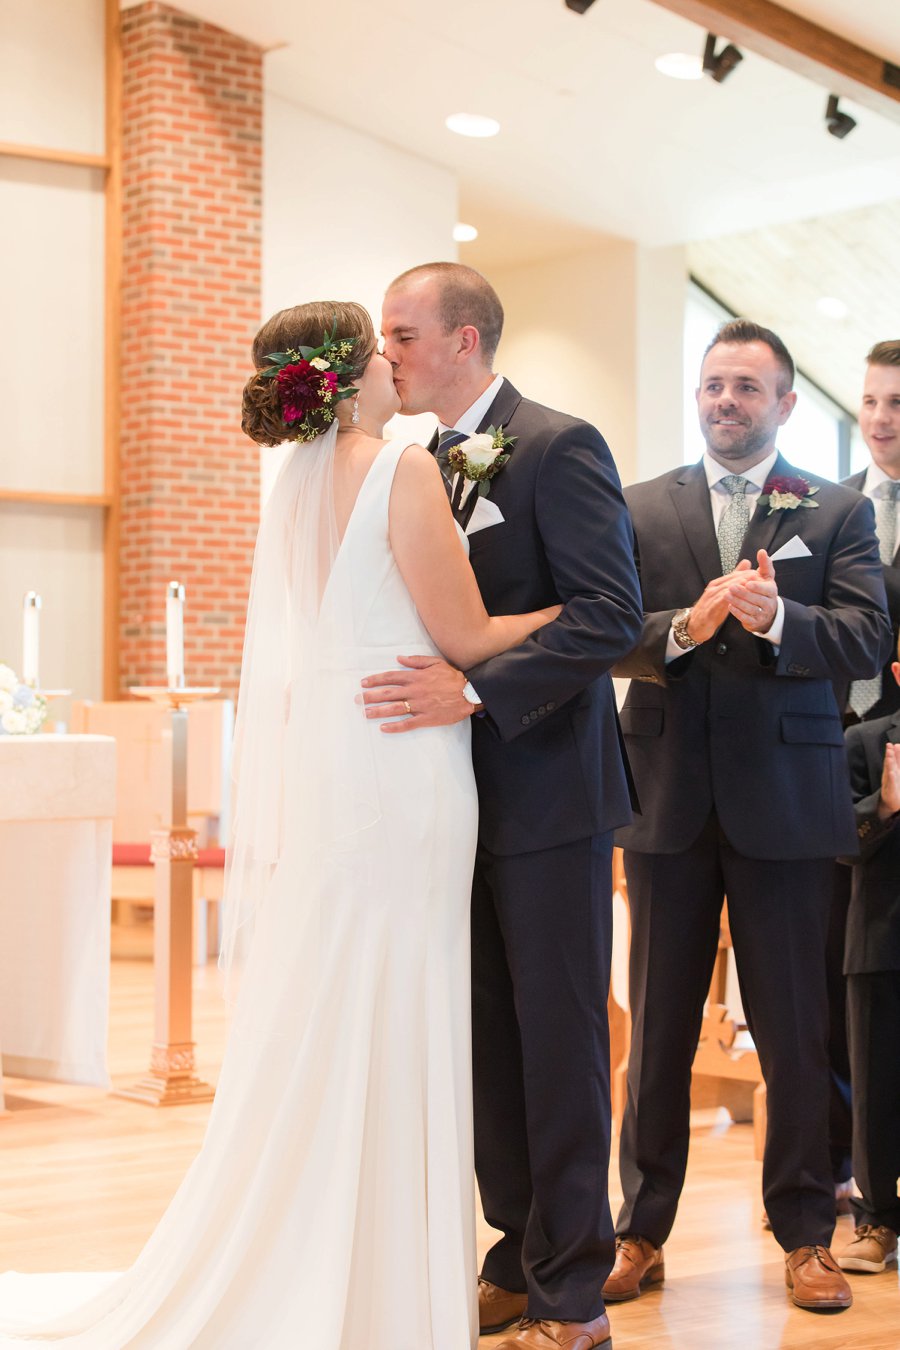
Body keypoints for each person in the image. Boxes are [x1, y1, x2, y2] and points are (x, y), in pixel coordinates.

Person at [0, 301, 561, 1349]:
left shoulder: (295, 487)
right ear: (354, 372)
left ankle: (334, 1250)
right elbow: (468, 632)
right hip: (406, 763)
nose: (401, 363)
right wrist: (571, 617)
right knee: (401, 991)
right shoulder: (396, 469)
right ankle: (382, 1277)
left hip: (345, 763)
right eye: (385, 346)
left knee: (347, 990)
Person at [363, 262, 643, 1350]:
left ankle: (574, 1299)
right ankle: (516, 1259)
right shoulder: (415, 463)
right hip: (450, 801)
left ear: (465, 340)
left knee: (560, 1044)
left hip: (551, 796)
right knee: (486, 1043)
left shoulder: (559, 444)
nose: (388, 352)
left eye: (404, 332)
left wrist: (476, 687)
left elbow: (611, 615)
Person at [605, 319, 891, 1314]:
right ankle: (639, 1228)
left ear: (783, 403)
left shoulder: (836, 507)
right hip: (667, 798)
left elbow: (865, 637)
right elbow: (609, 630)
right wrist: (686, 627)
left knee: (796, 1029)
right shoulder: (640, 506)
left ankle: (808, 1234)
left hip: (789, 803)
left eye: (745, 387)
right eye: (713, 384)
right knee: (658, 1033)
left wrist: (782, 621)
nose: (725, 401)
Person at [836, 635, 900, 1276]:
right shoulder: (865, 741)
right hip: (881, 940)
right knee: (876, 1087)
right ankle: (876, 1218)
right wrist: (883, 806)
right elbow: (838, 843)